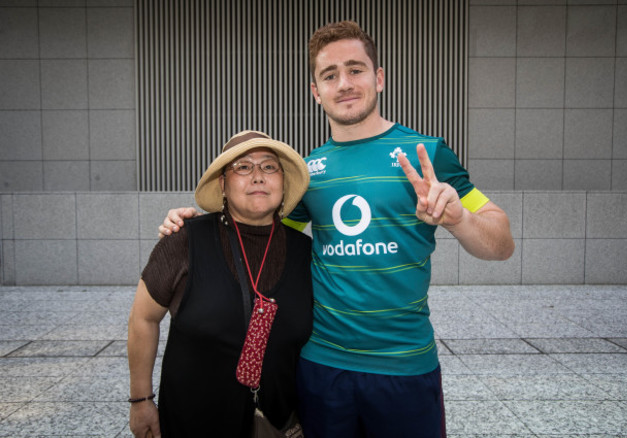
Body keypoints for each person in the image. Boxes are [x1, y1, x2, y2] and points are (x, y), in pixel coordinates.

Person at [159, 21, 515, 438]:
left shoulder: (428, 154)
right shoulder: (307, 173)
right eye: (330, 75)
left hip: (405, 367)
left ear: (379, 78)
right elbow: (257, 232)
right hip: (321, 368)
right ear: (316, 91)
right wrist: (196, 225)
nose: (344, 83)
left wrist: (460, 219)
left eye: (356, 69)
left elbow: (501, 243)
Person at [127, 130, 313, 437]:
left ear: (283, 182)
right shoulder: (185, 240)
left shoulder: (305, 252)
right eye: (243, 167)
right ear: (223, 184)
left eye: (269, 167)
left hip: (277, 422)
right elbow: (142, 319)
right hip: (193, 420)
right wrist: (141, 400)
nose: (257, 176)